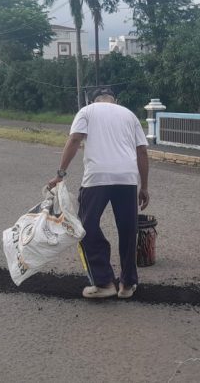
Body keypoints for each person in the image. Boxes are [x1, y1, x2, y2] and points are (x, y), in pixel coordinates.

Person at [47, 87, 149, 299]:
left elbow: (75, 139)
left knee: (85, 226)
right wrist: (144, 187)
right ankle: (127, 284)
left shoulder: (87, 111)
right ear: (115, 100)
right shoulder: (129, 114)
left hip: (97, 178)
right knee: (128, 230)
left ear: (94, 100)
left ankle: (104, 283)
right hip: (127, 177)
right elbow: (142, 151)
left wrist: (60, 174)